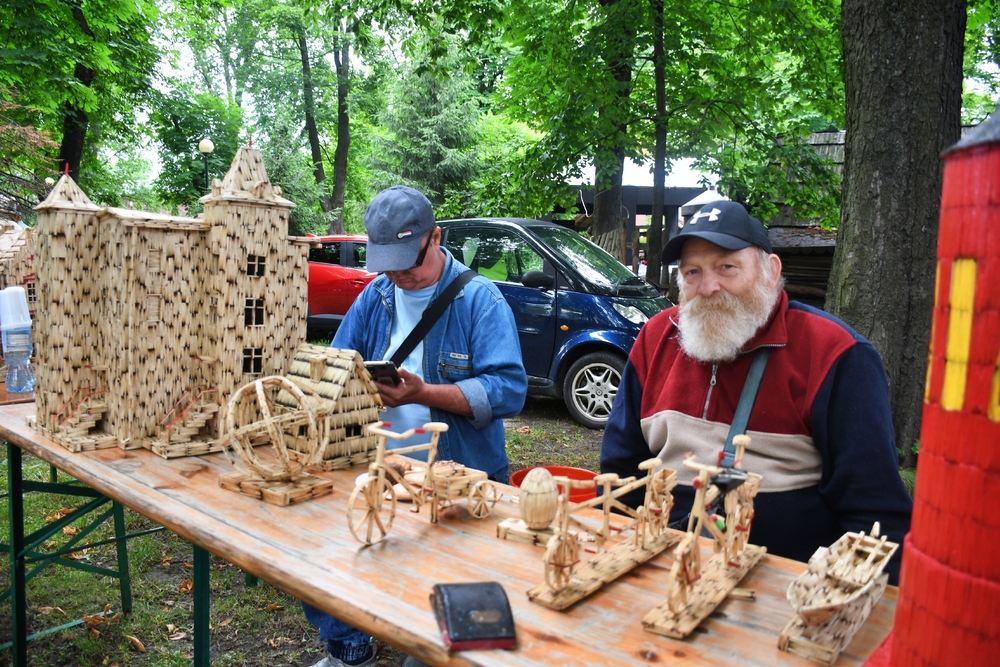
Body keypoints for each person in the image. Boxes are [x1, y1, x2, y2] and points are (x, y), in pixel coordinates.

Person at [600, 200, 912, 582]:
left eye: (726, 267)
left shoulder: (835, 354)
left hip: (779, 585)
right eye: (692, 272)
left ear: (771, 271)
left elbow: (875, 516)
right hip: (659, 567)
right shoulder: (657, 338)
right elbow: (622, 473)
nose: (708, 287)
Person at [304, 185, 527, 667]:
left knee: (446, 590)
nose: (400, 275)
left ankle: (429, 646)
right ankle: (349, 645)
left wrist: (423, 392)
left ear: (436, 238)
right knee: (326, 544)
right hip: (379, 461)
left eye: (409, 261)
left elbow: (509, 390)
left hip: (457, 470)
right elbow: (342, 364)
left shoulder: (479, 300)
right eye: (389, 263)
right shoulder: (376, 296)